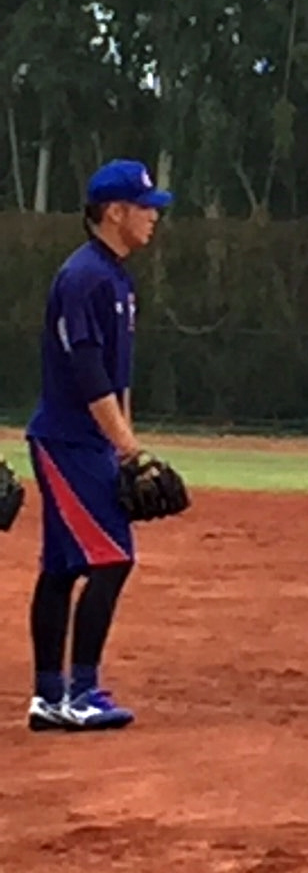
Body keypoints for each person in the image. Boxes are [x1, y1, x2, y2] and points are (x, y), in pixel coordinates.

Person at [25, 159, 175, 732]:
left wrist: (122, 444)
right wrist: (129, 452)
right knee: (112, 558)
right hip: (67, 439)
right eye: (145, 207)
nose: (154, 217)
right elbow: (87, 373)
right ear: (115, 212)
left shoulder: (114, 276)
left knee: (63, 568)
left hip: (87, 442)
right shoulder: (85, 276)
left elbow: (118, 375)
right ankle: (81, 691)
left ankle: (49, 697)